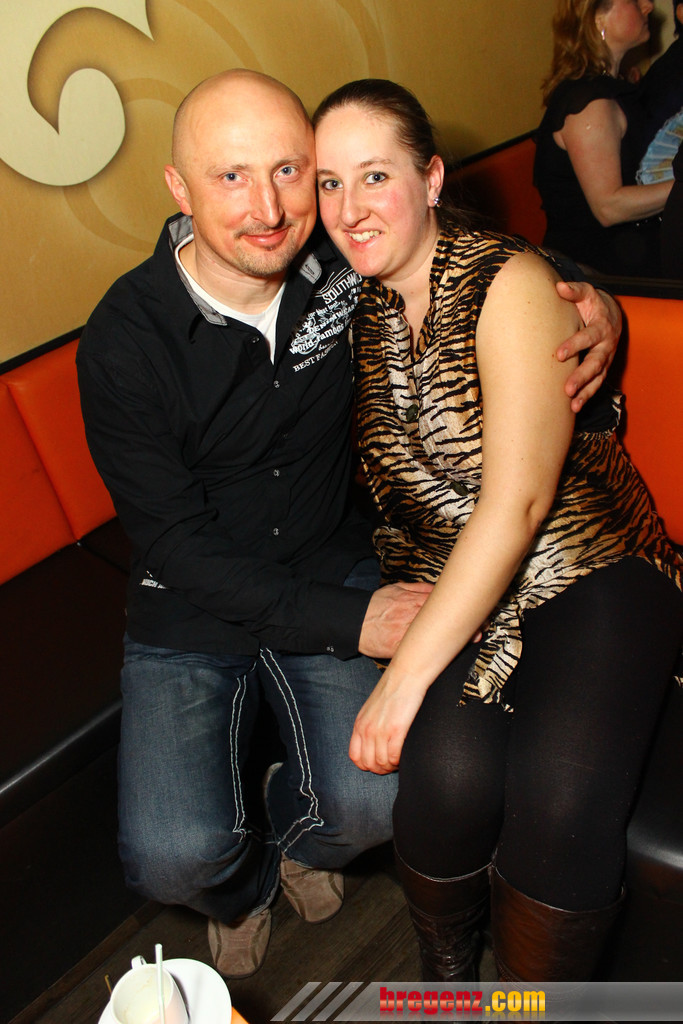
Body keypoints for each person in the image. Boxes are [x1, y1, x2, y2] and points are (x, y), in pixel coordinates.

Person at [76, 69, 620, 981]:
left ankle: (297, 835)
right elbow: (171, 542)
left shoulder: (338, 263)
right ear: (178, 188)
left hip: (327, 562)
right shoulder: (125, 340)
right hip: (194, 600)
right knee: (175, 858)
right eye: (230, 176)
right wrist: (357, 619)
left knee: (373, 805)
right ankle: (243, 885)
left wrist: (592, 295)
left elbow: (468, 259)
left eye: (290, 172)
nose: (267, 210)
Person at [312, 78, 683, 984]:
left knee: (558, 804)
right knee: (443, 789)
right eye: (328, 182)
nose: (349, 209)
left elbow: (517, 505)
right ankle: (448, 994)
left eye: (374, 175)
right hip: (467, 587)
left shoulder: (507, 282)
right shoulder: (350, 305)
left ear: (432, 178)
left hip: (589, 560)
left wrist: (402, 681)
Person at [535, 0, 673, 277]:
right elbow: (609, 207)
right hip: (601, 269)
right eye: (634, 0)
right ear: (597, 19)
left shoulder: (611, 87)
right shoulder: (590, 103)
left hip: (628, 252)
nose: (648, 6)